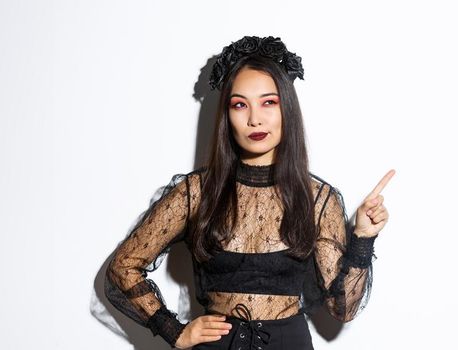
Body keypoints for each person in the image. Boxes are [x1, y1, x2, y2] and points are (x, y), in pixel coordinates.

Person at [103, 35, 394, 350]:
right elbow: (124, 266)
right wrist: (173, 330)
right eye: (240, 105)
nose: (255, 118)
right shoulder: (196, 192)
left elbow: (344, 309)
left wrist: (363, 239)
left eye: (269, 102)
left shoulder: (317, 199)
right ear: (227, 116)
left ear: (288, 110)